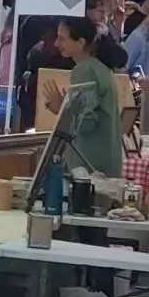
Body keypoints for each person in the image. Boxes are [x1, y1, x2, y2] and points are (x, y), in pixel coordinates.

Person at [50, 15, 127, 178]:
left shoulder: (84, 70)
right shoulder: (100, 68)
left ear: (81, 42)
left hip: (88, 167)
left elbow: (86, 122)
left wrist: (63, 109)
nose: (56, 44)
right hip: (105, 163)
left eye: (62, 39)